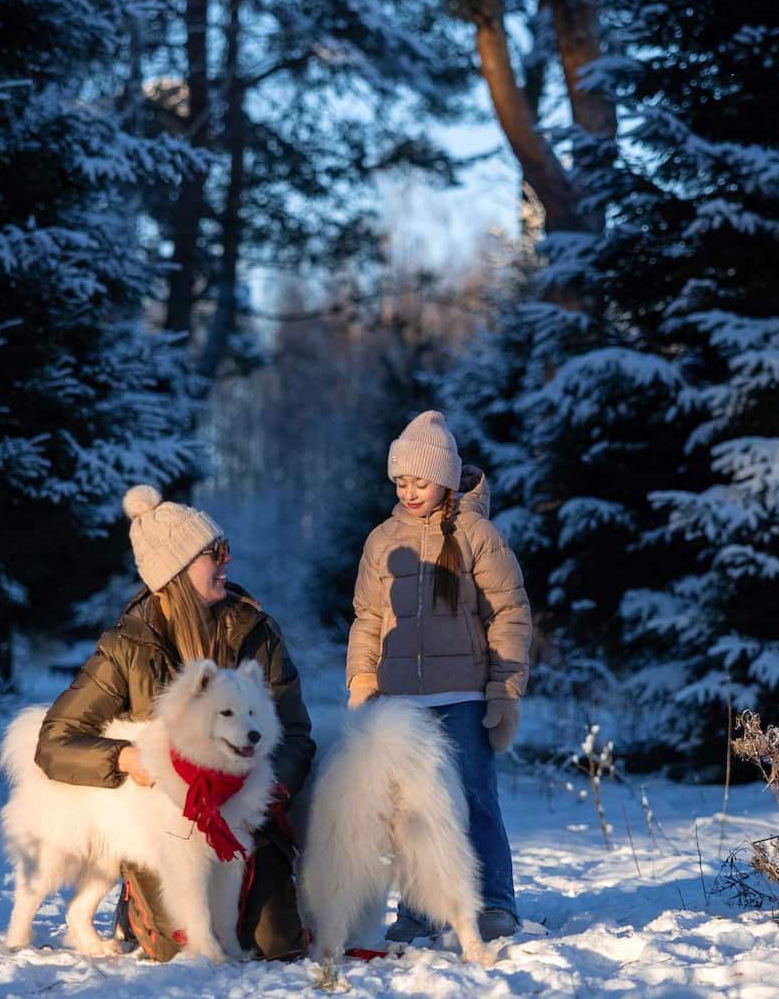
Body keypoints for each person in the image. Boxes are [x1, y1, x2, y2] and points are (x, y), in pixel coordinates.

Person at [35, 484, 315, 960]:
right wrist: (124, 757)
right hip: (162, 823)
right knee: (176, 945)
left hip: (241, 815)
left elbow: (294, 734)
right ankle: (135, 897)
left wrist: (263, 787)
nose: (227, 561)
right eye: (214, 554)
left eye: (223, 549)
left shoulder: (254, 633)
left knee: (275, 944)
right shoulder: (127, 647)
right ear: (176, 570)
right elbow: (54, 743)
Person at [347, 410, 532, 943]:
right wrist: (362, 682)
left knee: (474, 800)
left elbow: (510, 613)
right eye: (401, 482)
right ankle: (420, 910)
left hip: (464, 697)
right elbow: (368, 616)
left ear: (446, 479)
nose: (409, 491)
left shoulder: (477, 534)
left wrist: (505, 690)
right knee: (410, 810)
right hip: (401, 702)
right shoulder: (382, 539)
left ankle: (495, 902)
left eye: (420, 481)